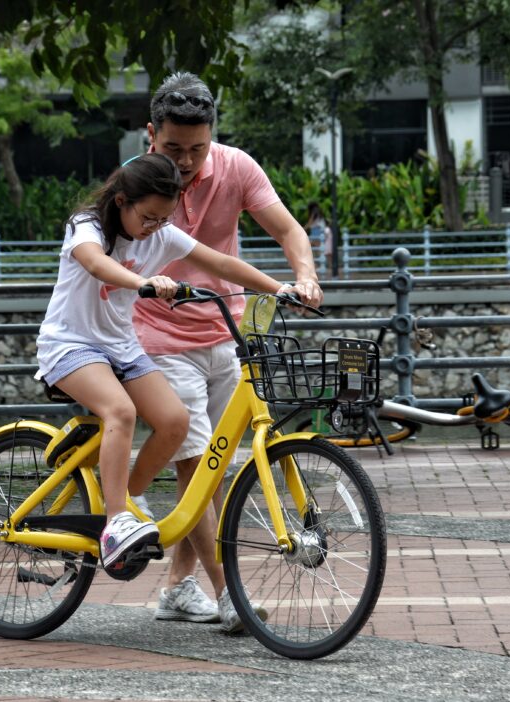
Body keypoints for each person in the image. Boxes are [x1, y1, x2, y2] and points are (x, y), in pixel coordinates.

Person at [130, 72, 323, 634]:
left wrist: (304, 277)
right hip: (158, 338)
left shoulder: (237, 167)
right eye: (173, 149)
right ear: (151, 136)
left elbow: (288, 229)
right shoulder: (138, 181)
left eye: (197, 148)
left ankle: (176, 589)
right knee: (197, 463)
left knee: (211, 473)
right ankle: (228, 592)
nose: (186, 161)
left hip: (226, 332)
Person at [34, 153, 288, 573]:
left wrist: (282, 288)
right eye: (148, 217)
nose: (154, 228)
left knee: (175, 421)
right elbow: (97, 263)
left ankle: (126, 497)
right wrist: (143, 282)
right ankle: (116, 522)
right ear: (121, 201)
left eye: (162, 219)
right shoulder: (86, 225)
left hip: (120, 346)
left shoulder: (162, 234)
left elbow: (222, 263)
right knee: (121, 411)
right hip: (70, 344)